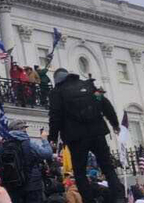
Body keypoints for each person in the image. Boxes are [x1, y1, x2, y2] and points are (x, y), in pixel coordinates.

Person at [48, 68, 124, 203]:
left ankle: (89, 200)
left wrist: (52, 138)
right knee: (107, 167)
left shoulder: (57, 92)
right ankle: (118, 197)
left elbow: (55, 116)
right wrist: (115, 124)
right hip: (97, 133)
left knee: (80, 172)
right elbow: (105, 104)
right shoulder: (89, 86)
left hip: (76, 137)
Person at [0, 120, 53, 203]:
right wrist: (44, 140)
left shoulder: (3, 145)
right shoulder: (29, 143)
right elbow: (48, 153)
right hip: (32, 185)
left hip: (13, 185)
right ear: (22, 129)